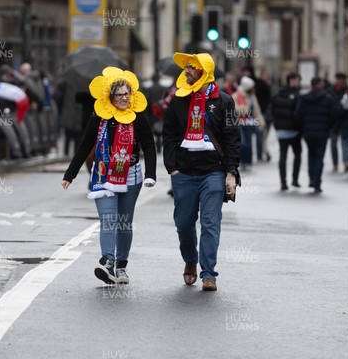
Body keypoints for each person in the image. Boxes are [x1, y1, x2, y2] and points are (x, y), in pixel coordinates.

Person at [62, 67, 156, 285]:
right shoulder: (99, 118)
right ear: (110, 97)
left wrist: (151, 174)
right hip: (104, 175)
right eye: (119, 95)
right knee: (108, 220)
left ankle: (121, 266)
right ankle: (107, 262)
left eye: (126, 94)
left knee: (124, 222)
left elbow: (149, 146)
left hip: (131, 174)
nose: (124, 98)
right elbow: (85, 146)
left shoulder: (137, 117)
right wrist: (70, 174)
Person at [163, 53, 240, 292]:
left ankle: (209, 273)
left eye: (192, 68)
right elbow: (169, 135)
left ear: (204, 71)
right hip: (184, 171)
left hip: (213, 172)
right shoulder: (178, 100)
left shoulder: (224, 101)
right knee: (184, 223)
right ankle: (190, 260)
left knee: (210, 222)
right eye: (185, 68)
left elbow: (232, 138)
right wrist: (172, 167)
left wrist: (231, 172)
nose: (186, 71)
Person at [295, 76, 340, 193]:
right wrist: (328, 127)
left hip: (308, 133)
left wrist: (303, 128)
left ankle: (311, 178)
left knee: (311, 155)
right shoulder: (328, 99)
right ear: (320, 85)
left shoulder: (304, 99)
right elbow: (334, 115)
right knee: (319, 157)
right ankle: (317, 182)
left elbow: (298, 115)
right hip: (322, 132)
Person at [271, 72, 302, 191]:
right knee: (297, 154)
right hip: (294, 130)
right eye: (297, 80)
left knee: (283, 155)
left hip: (281, 131)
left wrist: (277, 125)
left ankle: (283, 182)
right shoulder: (297, 95)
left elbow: (273, 110)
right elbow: (299, 114)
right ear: (292, 80)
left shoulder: (278, 93)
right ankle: (294, 179)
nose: (298, 83)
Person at [232, 76, 265, 169]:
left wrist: (261, 122)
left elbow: (256, 110)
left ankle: (248, 161)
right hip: (238, 123)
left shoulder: (252, 97)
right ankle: (241, 161)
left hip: (249, 122)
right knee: (242, 143)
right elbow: (233, 110)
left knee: (249, 143)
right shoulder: (236, 96)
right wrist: (245, 109)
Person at [326, 72, 347, 172]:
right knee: (333, 144)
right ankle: (335, 163)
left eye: (342, 80)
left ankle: (345, 162)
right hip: (333, 122)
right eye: (339, 79)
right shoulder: (330, 91)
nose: (341, 82)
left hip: (344, 122)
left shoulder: (347, 91)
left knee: (344, 143)